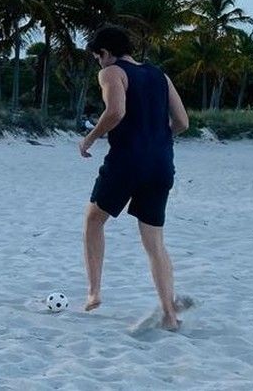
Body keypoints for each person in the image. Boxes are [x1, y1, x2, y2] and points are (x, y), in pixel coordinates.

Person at [77, 24, 190, 331]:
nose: (98, 64)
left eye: (97, 57)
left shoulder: (112, 72)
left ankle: (94, 292)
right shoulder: (159, 76)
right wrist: (156, 139)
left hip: (127, 161)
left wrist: (90, 138)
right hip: (162, 163)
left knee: (93, 219)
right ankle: (169, 314)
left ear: (104, 52)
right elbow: (182, 121)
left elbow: (115, 112)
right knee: (155, 242)